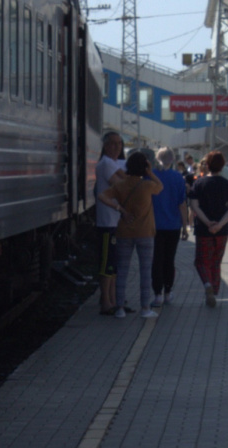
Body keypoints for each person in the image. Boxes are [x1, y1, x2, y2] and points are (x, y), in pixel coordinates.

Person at [98, 152, 163, 319]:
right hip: (145, 233)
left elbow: (102, 195)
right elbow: (160, 186)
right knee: (145, 271)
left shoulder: (120, 186)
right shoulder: (147, 185)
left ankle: (119, 308)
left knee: (122, 271)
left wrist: (120, 209)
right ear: (144, 167)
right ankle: (145, 308)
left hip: (124, 233)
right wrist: (149, 172)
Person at [188, 151, 228, 307]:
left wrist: (208, 222)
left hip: (204, 229)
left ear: (207, 165)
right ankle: (215, 290)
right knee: (216, 261)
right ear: (222, 166)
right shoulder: (226, 184)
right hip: (222, 231)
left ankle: (208, 285)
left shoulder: (199, 183)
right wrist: (220, 224)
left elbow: (194, 205)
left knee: (201, 261)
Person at [94, 132, 127, 315]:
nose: (117, 147)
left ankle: (113, 300)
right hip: (107, 221)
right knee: (107, 263)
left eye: (119, 144)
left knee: (113, 263)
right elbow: (122, 185)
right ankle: (106, 301)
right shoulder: (106, 163)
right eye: (113, 144)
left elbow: (126, 181)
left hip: (114, 222)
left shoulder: (113, 164)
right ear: (106, 146)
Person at [151, 147, 189, 307]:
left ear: (156, 159)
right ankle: (168, 292)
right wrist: (185, 227)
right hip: (173, 225)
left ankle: (157, 294)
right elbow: (182, 204)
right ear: (172, 160)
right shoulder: (178, 177)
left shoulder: (150, 177)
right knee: (169, 260)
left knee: (156, 260)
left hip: (153, 226)